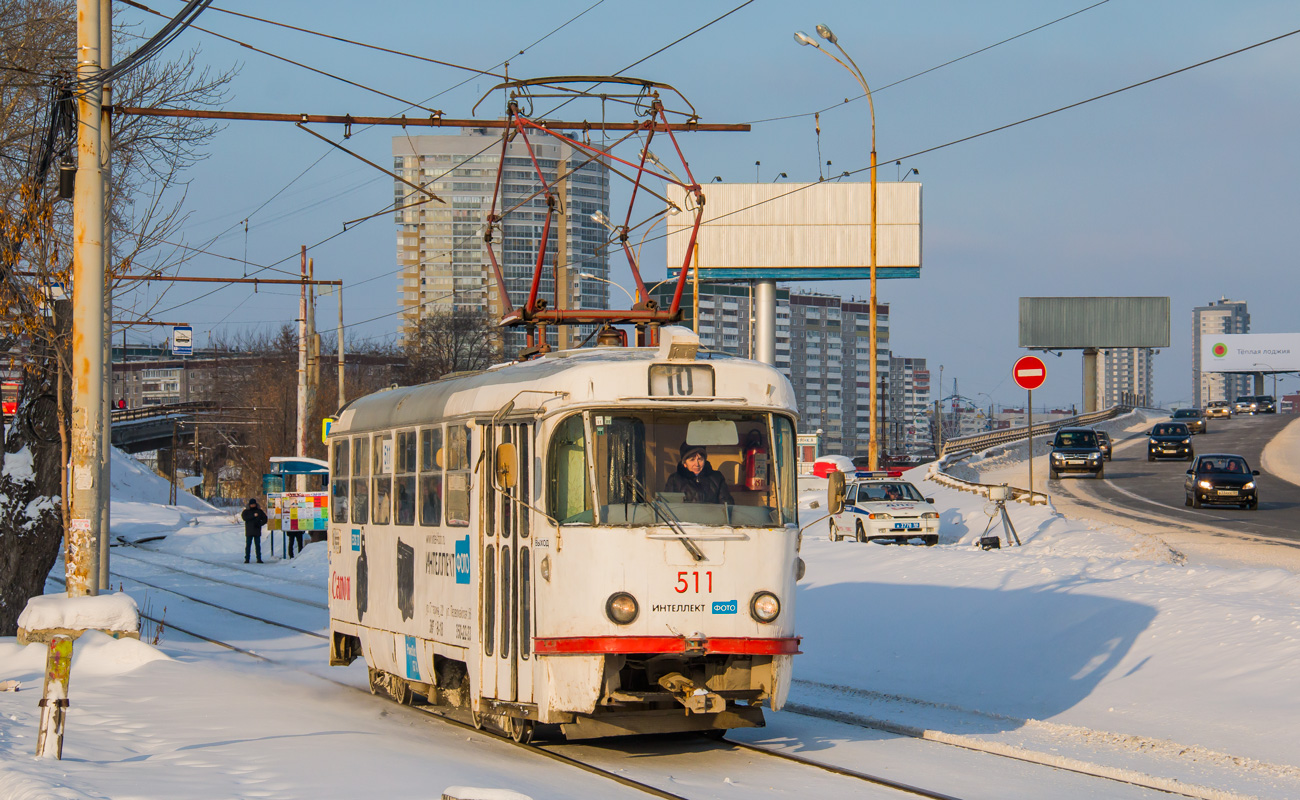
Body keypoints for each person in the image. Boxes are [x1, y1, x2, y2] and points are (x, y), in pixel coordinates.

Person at [664, 442, 733, 504]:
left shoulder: (717, 478)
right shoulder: (674, 480)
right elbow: (669, 506)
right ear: (684, 463)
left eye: (700, 459)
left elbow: (727, 505)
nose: (697, 464)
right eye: (692, 460)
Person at [241, 498, 268, 564]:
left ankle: (259, 558)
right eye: (251, 504)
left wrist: (260, 524)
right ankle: (247, 558)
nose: (253, 505)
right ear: (249, 505)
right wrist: (253, 516)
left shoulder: (259, 511)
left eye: (254, 504)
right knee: (248, 545)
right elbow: (244, 518)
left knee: (258, 545)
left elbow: (265, 519)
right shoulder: (246, 511)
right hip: (249, 531)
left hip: (257, 530)